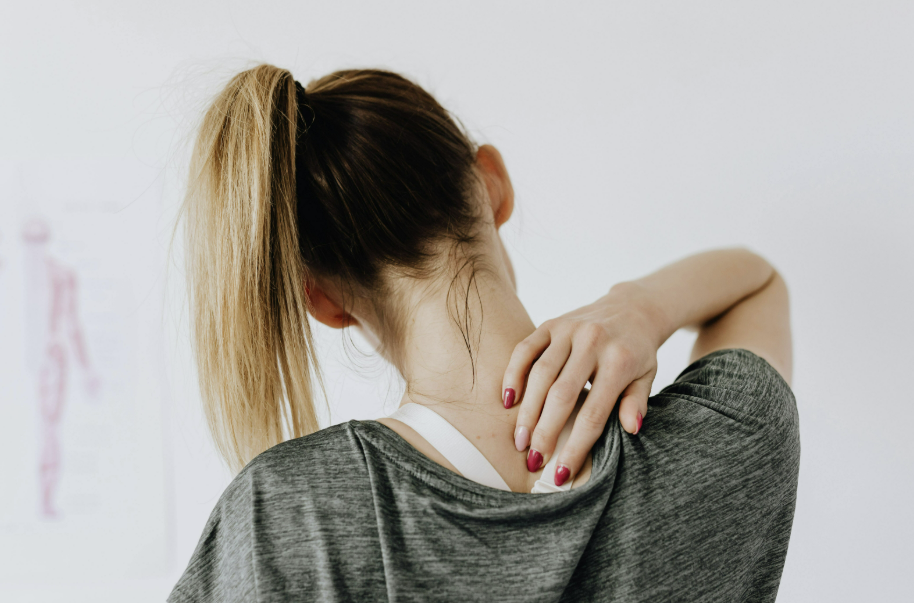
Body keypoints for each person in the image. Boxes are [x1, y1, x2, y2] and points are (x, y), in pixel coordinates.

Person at [169, 64, 799, 602]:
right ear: (492, 183)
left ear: (322, 300)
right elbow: (758, 281)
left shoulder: (292, 513)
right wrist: (642, 307)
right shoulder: (725, 438)